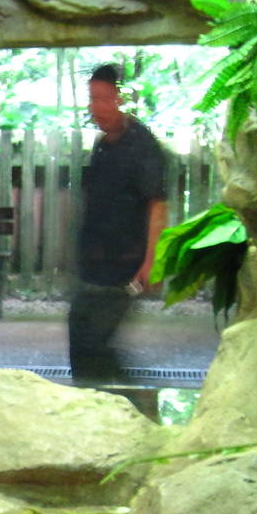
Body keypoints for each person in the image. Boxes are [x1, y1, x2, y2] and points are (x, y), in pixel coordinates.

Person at [69, 63, 168, 385]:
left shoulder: (142, 145)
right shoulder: (102, 144)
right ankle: (115, 400)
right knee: (85, 341)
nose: (95, 107)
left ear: (121, 100)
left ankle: (124, 402)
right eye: (92, 98)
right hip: (95, 264)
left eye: (103, 98)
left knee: (92, 343)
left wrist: (152, 261)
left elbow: (157, 205)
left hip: (124, 266)